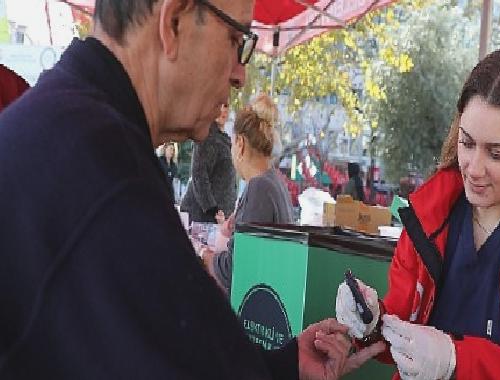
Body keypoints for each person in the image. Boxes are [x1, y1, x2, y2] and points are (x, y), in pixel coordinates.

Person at [0, 0, 384, 378]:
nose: (240, 75)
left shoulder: (67, 128)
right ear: (174, 21)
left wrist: (284, 367)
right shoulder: (108, 176)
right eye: (236, 39)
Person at [336, 49, 500, 380]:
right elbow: (399, 334)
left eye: (496, 153)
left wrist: (456, 361)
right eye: (467, 143)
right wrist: (371, 323)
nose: (474, 169)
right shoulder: (429, 215)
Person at [207, 94, 295, 295]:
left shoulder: (259, 189)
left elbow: (235, 269)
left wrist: (204, 255)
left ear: (239, 143)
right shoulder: (273, 183)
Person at [181, 102, 237, 222]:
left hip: (217, 217)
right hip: (203, 218)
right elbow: (199, 174)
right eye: (219, 105)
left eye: (226, 106)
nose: (223, 110)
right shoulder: (206, 135)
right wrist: (212, 209)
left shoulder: (224, 138)